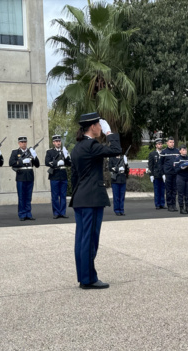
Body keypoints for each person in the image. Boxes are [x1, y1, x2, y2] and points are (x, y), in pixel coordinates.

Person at [70, 112, 121, 289]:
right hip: (91, 199)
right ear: (93, 127)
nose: (101, 127)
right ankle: (89, 279)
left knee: (82, 239)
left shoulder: (77, 147)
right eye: (100, 125)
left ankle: (84, 276)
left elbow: (74, 178)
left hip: (81, 198)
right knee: (90, 239)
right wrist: (110, 134)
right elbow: (115, 150)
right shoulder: (91, 145)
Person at [9, 136, 40, 221]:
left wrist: (34, 156)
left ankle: (28, 213)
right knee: (21, 196)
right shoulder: (15, 152)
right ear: (19, 143)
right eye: (22, 142)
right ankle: (22, 214)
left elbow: (37, 165)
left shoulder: (30, 152)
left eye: (25, 142)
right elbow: (11, 162)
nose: (23, 144)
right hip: (21, 177)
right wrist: (22, 161)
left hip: (29, 176)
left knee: (28, 197)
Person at [45, 135, 71, 219]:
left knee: (63, 195)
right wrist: (56, 163)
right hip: (54, 175)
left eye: (59, 141)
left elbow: (69, 163)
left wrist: (67, 156)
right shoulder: (50, 152)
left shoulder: (64, 151)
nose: (58, 142)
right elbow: (47, 162)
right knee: (55, 196)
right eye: (56, 141)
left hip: (63, 175)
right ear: (53, 143)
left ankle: (62, 212)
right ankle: (56, 212)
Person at [174, 145, 188, 214]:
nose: (185, 151)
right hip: (180, 177)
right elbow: (175, 170)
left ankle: (187, 208)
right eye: (183, 150)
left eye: (185, 150)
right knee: (181, 193)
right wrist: (181, 168)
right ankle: (181, 208)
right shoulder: (177, 159)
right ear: (180, 151)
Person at [160, 137, 180, 212]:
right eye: (170, 142)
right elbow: (161, 164)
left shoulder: (177, 151)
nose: (172, 143)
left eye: (173, 142)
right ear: (167, 143)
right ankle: (169, 205)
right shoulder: (164, 152)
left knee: (174, 190)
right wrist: (163, 174)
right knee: (168, 190)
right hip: (168, 173)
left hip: (175, 173)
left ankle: (174, 205)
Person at [147, 138, 166, 209]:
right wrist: (151, 174)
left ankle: (162, 203)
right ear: (156, 145)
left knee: (162, 190)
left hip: (163, 174)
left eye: (161, 144)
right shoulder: (152, 154)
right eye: (159, 144)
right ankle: (157, 204)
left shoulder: (164, 153)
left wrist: (165, 174)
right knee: (157, 190)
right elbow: (150, 165)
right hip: (156, 175)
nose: (160, 145)